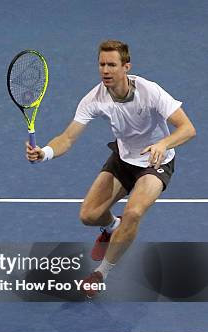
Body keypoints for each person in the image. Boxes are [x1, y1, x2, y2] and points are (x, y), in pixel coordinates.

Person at [26, 40, 196, 298]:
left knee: (135, 211)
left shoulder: (151, 92)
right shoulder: (94, 98)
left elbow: (188, 129)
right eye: (102, 64)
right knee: (89, 216)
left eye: (112, 65)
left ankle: (101, 272)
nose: (105, 70)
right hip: (123, 159)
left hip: (155, 162)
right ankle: (111, 228)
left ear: (126, 67)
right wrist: (46, 152)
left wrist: (163, 143)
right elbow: (68, 137)